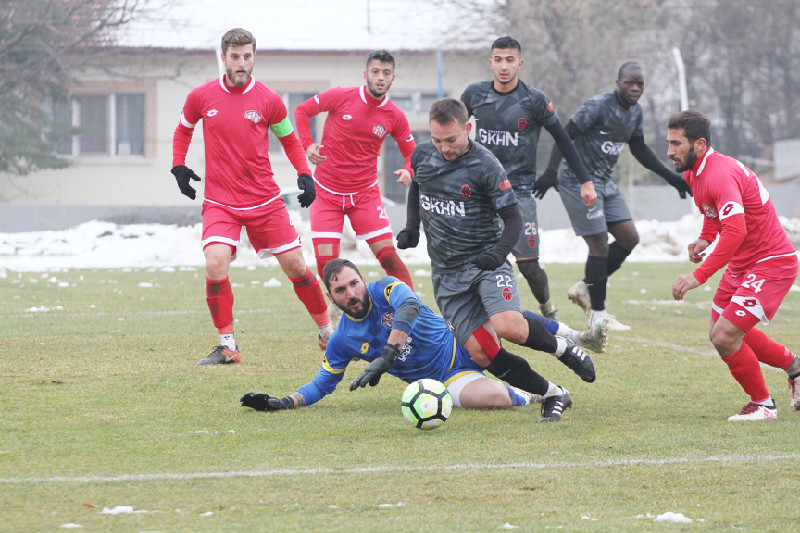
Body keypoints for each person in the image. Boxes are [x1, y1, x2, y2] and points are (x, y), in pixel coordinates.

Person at [396, 98, 597, 421]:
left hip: (485, 263)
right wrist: (411, 227)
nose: (444, 148)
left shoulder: (486, 165)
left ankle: (564, 348)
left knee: (510, 326)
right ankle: (553, 394)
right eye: (437, 140)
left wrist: (498, 254)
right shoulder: (423, 155)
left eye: (452, 139)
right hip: (447, 276)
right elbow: (417, 187)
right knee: (482, 352)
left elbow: (514, 220)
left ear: (468, 129)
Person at [171, 28, 332, 365]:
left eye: (247, 56)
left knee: (298, 266)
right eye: (235, 56)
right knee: (215, 263)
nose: (241, 63)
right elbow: (184, 129)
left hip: (264, 200)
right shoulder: (201, 96)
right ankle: (228, 346)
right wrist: (179, 166)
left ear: (254, 56)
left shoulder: (269, 100)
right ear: (224, 57)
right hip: (220, 202)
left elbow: (288, 139)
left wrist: (304, 173)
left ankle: (327, 332)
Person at [241, 259, 571, 421]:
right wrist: (282, 402)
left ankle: (563, 335)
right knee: (494, 398)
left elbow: (410, 305)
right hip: (446, 378)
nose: (351, 294)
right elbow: (322, 384)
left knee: (505, 321)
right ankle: (533, 395)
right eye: (340, 290)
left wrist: (387, 354)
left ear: (363, 280)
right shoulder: (341, 339)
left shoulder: (385, 287)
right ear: (331, 296)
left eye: (354, 284)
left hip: (459, 339)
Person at [534, 61, 693, 330]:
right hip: (577, 182)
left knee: (629, 238)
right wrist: (551, 171)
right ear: (618, 83)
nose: (634, 88)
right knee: (598, 243)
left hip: (605, 183)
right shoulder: (597, 106)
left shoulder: (635, 113)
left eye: (639, 83)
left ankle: (587, 287)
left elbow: (640, 150)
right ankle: (598, 315)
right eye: (629, 82)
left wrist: (671, 177)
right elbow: (564, 135)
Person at [668, 109, 800, 420]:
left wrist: (699, 275)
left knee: (724, 336)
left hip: (771, 261)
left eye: (676, 143)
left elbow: (736, 229)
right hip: (744, 262)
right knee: (722, 329)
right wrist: (704, 238)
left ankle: (763, 405)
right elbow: (715, 216)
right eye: (669, 142)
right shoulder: (693, 172)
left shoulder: (718, 173)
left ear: (699, 144)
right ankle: (795, 367)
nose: (670, 151)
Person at [461, 36, 598, 321]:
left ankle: (548, 310)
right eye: (498, 59)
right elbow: (451, 127)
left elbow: (563, 140)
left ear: (519, 63)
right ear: (490, 63)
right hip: (481, 191)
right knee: (474, 259)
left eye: (509, 60)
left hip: (518, 192)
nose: (503, 66)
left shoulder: (534, 100)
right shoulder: (474, 94)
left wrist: (585, 180)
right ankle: (475, 319)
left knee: (529, 266)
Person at [294, 50, 415, 295]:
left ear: (393, 78)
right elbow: (301, 111)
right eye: (376, 72)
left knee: (389, 257)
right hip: (326, 193)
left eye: (386, 73)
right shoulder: (340, 96)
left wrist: (408, 169)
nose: (380, 77)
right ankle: (338, 321)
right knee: (327, 266)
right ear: (366, 74)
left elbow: (410, 150)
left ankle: (414, 313)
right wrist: (307, 144)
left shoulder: (395, 115)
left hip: (365, 195)